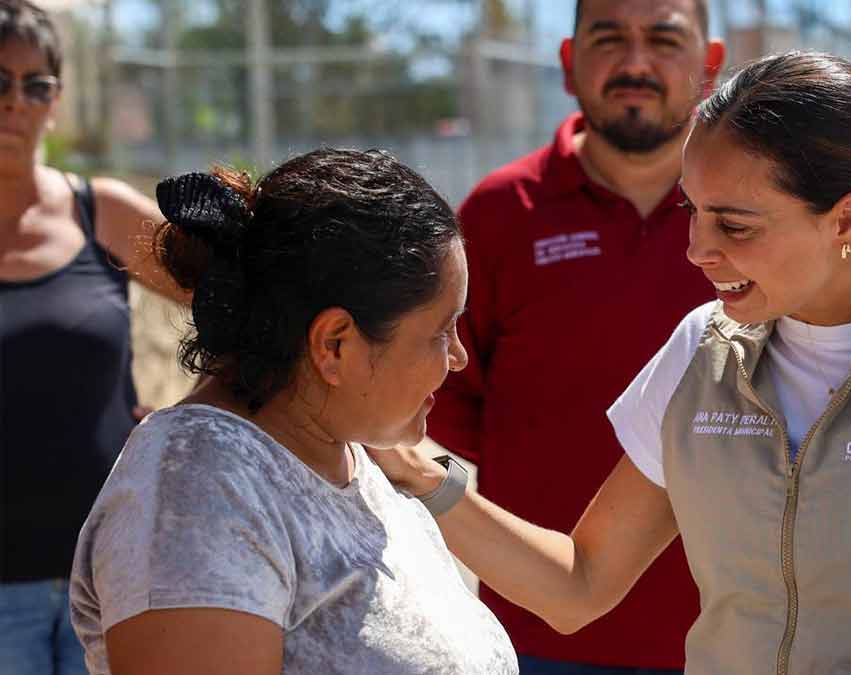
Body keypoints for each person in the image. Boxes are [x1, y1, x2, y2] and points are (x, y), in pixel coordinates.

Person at [371, 52, 851, 674]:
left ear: (848, 218)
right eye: (692, 209)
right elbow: (580, 583)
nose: (695, 249)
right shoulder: (700, 350)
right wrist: (422, 476)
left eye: (735, 224)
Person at [68, 148, 519, 675]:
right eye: (441, 331)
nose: (460, 356)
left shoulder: (345, 451)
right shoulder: (198, 493)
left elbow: (577, 589)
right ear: (334, 344)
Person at [423, 1, 723, 672]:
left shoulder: (757, 213)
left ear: (711, 65)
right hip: (540, 635)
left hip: (732, 634)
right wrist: (540, 456)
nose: (636, 63)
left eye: (664, 40)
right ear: (568, 63)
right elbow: (440, 386)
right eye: (608, 38)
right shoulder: (500, 212)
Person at [0, 2, 187, 672]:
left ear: (55, 98)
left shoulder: (100, 211)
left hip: (111, 575)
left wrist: (199, 414)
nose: (16, 103)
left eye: (36, 84)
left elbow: (238, 298)